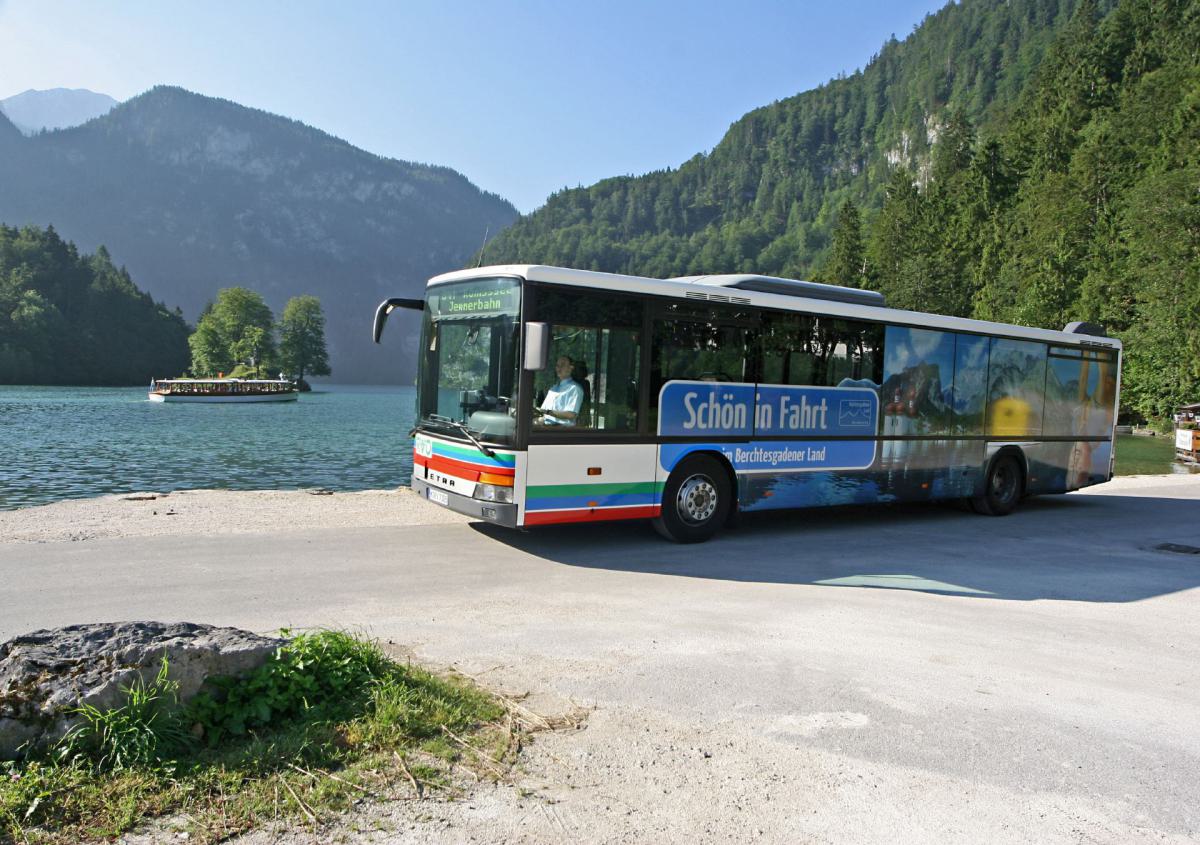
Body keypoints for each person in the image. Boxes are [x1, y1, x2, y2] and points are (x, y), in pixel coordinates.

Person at [536, 355, 584, 426]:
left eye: (563, 365)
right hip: (544, 426)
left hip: (560, 431)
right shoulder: (553, 389)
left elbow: (571, 415)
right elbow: (543, 411)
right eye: (557, 365)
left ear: (571, 368)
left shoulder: (575, 388)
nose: (559, 368)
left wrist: (548, 412)